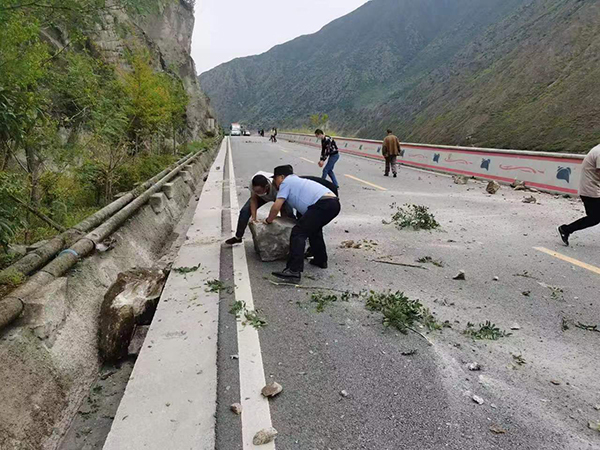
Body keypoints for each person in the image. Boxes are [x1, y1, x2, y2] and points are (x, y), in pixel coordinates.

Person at [266, 165, 341, 283]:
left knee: (298, 232)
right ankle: (320, 260)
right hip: (333, 204)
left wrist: (269, 220)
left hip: (323, 204)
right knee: (313, 230)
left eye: (275, 179)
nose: (275, 182)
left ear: (281, 177)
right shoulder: (297, 181)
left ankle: (294, 271)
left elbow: (277, 206)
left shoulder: (286, 182)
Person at [225, 171, 293, 245]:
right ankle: (238, 237)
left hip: (278, 197)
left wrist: (269, 220)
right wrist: (254, 218)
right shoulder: (253, 184)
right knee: (244, 211)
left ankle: (291, 237)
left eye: (259, 191)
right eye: (255, 191)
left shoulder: (276, 186)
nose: (256, 192)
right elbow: (253, 199)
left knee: (288, 213)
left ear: (266, 187)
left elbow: (276, 207)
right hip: (262, 197)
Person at [558, 144, 600, 245]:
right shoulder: (599, 152)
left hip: (592, 189)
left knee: (594, 218)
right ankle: (566, 229)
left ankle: (566, 229)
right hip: (591, 191)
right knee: (594, 218)